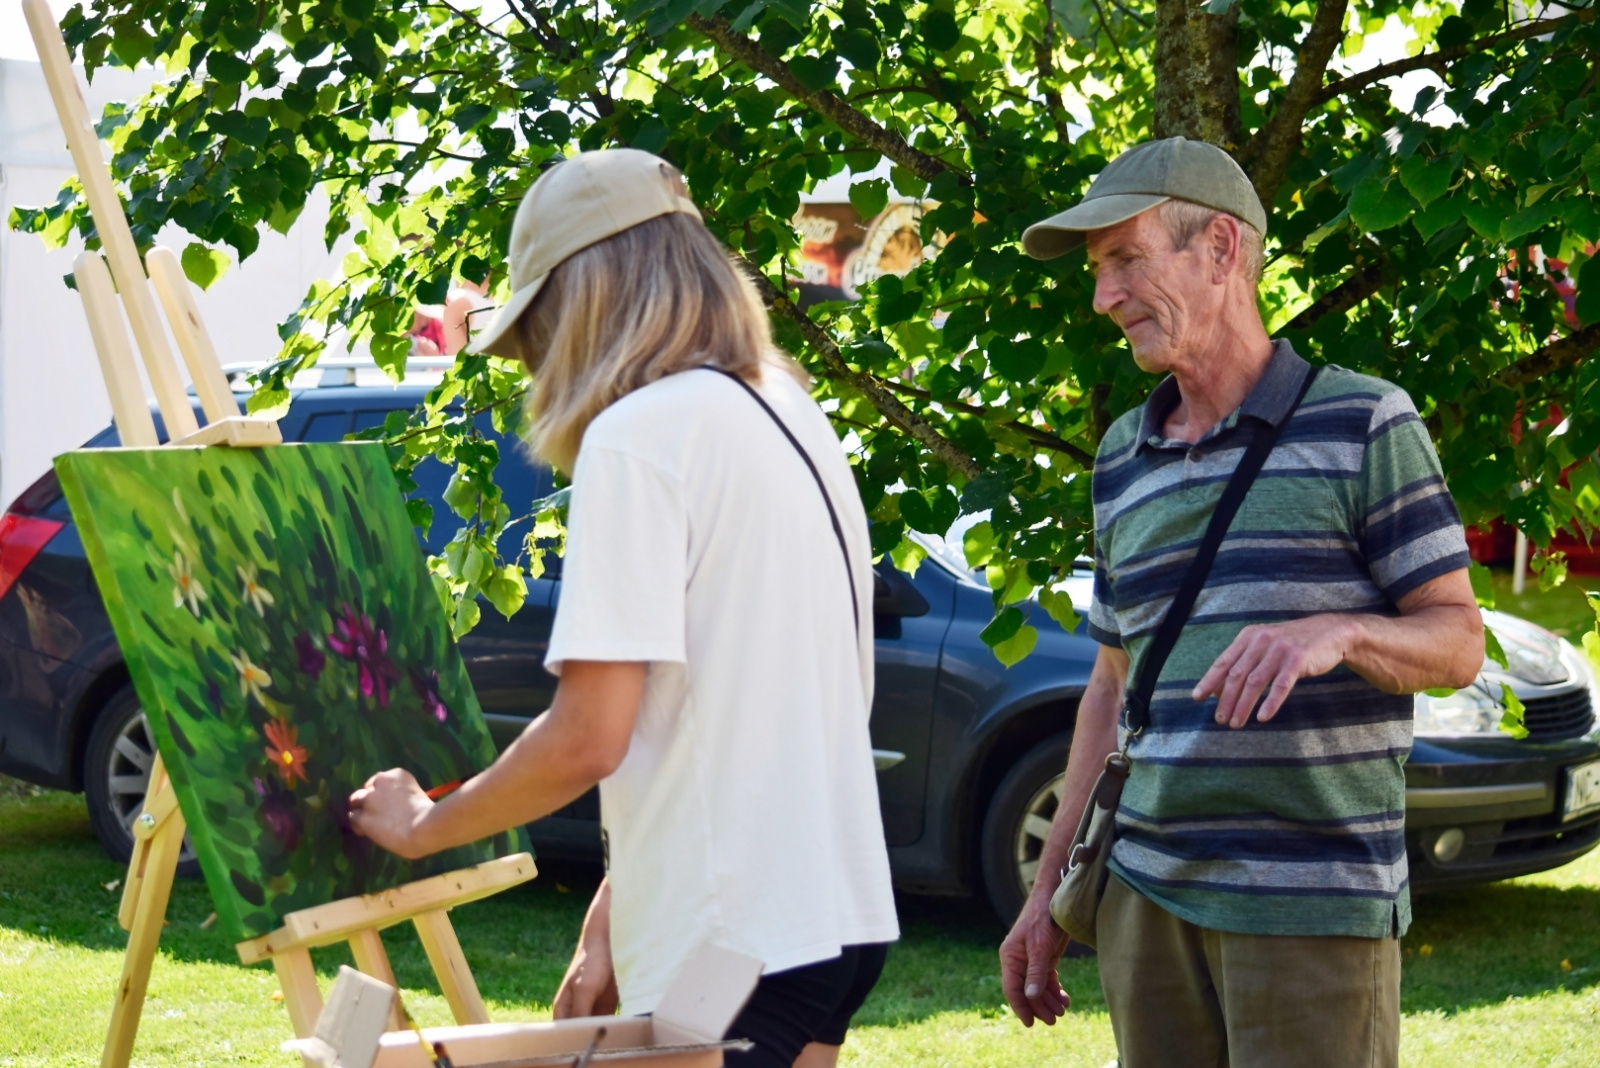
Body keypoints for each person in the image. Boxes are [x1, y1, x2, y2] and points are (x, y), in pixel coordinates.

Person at [347, 149, 900, 1067]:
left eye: (536, 329)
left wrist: (423, 826)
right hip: (831, 916)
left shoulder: (639, 437)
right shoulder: (783, 405)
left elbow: (588, 737)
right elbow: (731, 713)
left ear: (582, 299)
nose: (537, 359)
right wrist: (617, 907)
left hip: (734, 940)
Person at [999, 137, 1485, 1067]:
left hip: (1311, 909)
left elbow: (1458, 641)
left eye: (1126, 260)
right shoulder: (1119, 460)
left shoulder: (1366, 421)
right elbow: (1111, 688)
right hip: (1145, 899)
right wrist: (1046, 895)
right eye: (1099, 272)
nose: (1104, 298)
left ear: (1221, 250)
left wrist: (1338, 631)